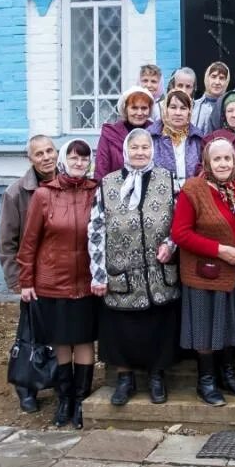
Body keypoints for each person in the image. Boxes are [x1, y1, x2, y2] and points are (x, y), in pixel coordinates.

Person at [89, 129, 180, 407]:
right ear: (126, 151)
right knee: (122, 329)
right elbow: (95, 230)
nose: (140, 152)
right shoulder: (107, 183)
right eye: (135, 148)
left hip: (158, 273)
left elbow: (180, 221)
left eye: (145, 147)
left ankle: (156, 378)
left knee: (158, 327)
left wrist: (170, 244)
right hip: (121, 273)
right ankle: (125, 380)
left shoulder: (168, 178)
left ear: (152, 150)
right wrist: (98, 273)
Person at [18, 139, 100, 429]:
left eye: (84, 158)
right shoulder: (44, 195)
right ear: (65, 160)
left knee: (84, 339)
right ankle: (64, 399)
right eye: (74, 158)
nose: (79, 163)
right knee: (62, 340)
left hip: (88, 281)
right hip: (53, 280)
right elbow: (29, 242)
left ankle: (81, 400)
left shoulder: (97, 192)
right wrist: (26, 280)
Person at [170, 138, 235, 406]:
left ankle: (228, 377)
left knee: (230, 326)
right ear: (207, 162)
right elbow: (180, 233)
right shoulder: (193, 189)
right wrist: (220, 250)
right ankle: (206, 381)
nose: (223, 163)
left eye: (227, 159)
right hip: (205, 273)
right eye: (217, 159)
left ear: (234, 162)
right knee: (206, 329)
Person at [0, 134, 57, 413]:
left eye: (49, 151)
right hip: (33, 277)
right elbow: (6, 242)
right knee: (30, 334)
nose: (46, 157)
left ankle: (55, 379)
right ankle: (26, 386)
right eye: (39, 154)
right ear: (30, 159)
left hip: (62, 274)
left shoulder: (68, 184)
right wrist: (19, 281)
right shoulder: (16, 193)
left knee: (59, 332)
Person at [148, 89, 204, 196]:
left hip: (191, 196)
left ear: (189, 111)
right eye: (173, 107)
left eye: (183, 108)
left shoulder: (197, 138)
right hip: (159, 197)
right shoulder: (152, 137)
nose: (178, 113)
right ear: (166, 109)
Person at [95, 86, 155, 182]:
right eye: (134, 108)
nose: (139, 113)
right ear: (125, 109)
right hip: (115, 191)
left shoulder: (156, 132)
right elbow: (101, 169)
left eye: (144, 108)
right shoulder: (110, 134)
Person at [191, 62, 230, 134]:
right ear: (207, 78)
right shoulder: (193, 106)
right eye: (213, 76)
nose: (217, 82)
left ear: (226, 82)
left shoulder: (230, 107)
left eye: (222, 78)